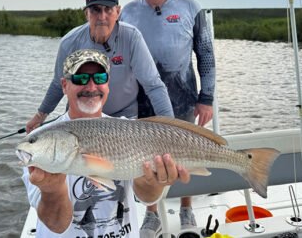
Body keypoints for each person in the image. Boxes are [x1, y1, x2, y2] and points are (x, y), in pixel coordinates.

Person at [21, 49, 190, 237]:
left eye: (100, 78)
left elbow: (146, 197)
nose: (91, 86)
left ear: (107, 85)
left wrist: (155, 183)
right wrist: (51, 191)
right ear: (64, 85)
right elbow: (57, 225)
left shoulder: (128, 128)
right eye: (81, 78)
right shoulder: (42, 140)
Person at [120, 0, 216, 237]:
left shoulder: (190, 7)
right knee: (147, 160)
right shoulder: (126, 12)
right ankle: (152, 214)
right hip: (142, 102)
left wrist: (206, 97)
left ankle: (186, 208)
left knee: (187, 156)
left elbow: (207, 55)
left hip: (184, 97)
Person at [26, 0, 173, 133]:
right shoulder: (69, 42)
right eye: (95, 10)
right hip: (81, 116)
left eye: (108, 10)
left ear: (118, 12)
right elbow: (58, 84)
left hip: (123, 116)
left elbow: (154, 85)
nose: (102, 17)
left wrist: (171, 129)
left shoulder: (132, 37)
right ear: (86, 14)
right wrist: (40, 116)